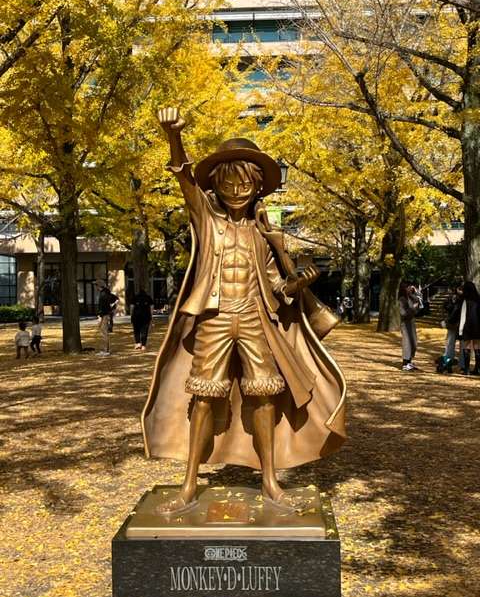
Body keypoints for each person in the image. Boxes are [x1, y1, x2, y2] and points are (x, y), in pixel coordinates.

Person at [140, 107, 346, 515]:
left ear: (257, 187)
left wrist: (298, 282)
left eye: (245, 183)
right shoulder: (206, 219)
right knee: (203, 398)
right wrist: (173, 136)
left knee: (265, 395)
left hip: (255, 318)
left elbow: (276, 287)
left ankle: (270, 480)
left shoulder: (263, 235)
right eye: (228, 182)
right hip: (215, 318)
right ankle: (189, 484)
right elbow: (183, 177)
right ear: (216, 185)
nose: (237, 190)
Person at [399, 281, 423, 371]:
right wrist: (413, 307)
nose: (410, 289)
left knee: (414, 342)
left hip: (411, 322)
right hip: (405, 324)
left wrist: (416, 292)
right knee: (407, 343)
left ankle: (409, 361)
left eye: (411, 287)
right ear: (404, 288)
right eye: (409, 287)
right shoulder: (402, 299)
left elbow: (419, 302)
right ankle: (405, 363)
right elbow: (403, 313)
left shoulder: (410, 297)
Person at [458, 281, 480, 375]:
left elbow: (463, 316)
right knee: (477, 347)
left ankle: (466, 369)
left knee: (466, 346)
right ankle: (477, 369)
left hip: (467, 326)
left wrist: (460, 330)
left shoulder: (465, 301)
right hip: (478, 326)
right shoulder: (478, 300)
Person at [95, 279, 117, 356]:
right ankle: (105, 349)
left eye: (96, 285)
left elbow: (102, 307)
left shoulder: (103, 294)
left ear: (99, 286)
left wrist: (100, 316)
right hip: (106, 314)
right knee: (104, 332)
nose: (95, 287)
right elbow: (116, 299)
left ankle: (105, 350)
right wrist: (111, 308)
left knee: (104, 332)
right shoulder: (107, 293)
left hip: (104, 315)